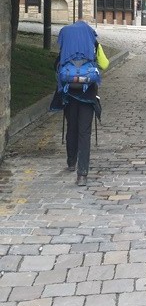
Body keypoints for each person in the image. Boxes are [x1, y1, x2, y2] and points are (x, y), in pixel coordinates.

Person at [52, 19, 102, 186]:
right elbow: (103, 63)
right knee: (84, 132)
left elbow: (56, 66)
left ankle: (71, 161)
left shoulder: (66, 41)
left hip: (69, 95)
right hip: (88, 94)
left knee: (71, 127)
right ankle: (82, 174)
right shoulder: (93, 41)